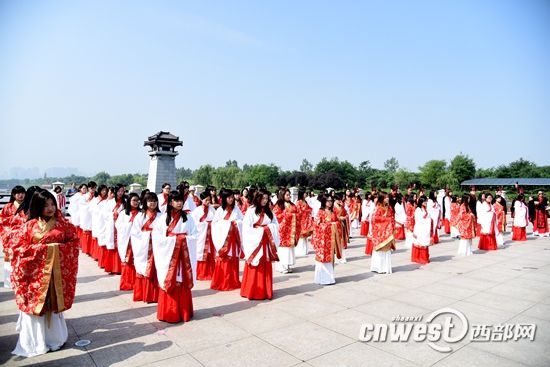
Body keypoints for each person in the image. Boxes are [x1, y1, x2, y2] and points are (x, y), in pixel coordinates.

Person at [10, 190, 79, 357]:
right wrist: (46, 250)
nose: (50, 208)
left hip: (56, 276)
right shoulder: (29, 226)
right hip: (34, 277)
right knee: (36, 309)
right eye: (45, 205)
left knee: (53, 306)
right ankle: (36, 343)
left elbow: (74, 243)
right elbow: (17, 249)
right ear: (37, 206)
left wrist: (57, 250)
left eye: (52, 204)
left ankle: (55, 339)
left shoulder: (64, 225)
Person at [152, 191, 197, 323]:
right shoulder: (162, 219)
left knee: (182, 280)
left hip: (184, 256)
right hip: (169, 256)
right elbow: (157, 238)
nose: (179, 203)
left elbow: (195, 236)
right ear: (170, 202)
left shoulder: (188, 218)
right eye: (176, 200)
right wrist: (176, 241)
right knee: (170, 279)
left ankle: (183, 312)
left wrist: (182, 240)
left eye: (180, 200)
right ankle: (169, 312)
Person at [240, 189, 280, 300]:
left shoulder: (269, 211)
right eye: (263, 198)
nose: (265, 201)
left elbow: (276, 225)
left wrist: (269, 228)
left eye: (267, 199)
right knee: (255, 263)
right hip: (255, 242)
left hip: (266, 242)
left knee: (265, 264)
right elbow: (246, 228)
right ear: (258, 198)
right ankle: (253, 291)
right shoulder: (251, 210)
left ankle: (265, 291)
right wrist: (261, 231)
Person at [210, 189, 243, 291]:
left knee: (233, 259)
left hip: (234, 238)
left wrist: (236, 223)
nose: (231, 199)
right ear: (224, 198)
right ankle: (223, 282)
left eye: (232, 197)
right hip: (224, 240)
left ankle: (233, 281)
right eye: (229, 197)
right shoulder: (220, 210)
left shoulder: (236, 209)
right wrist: (228, 224)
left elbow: (242, 221)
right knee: (224, 260)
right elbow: (214, 224)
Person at [131, 192, 161, 303]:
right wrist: (148, 235)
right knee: (144, 268)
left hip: (157, 247)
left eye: (154, 201)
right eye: (150, 201)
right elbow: (135, 233)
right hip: (143, 248)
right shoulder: (140, 216)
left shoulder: (161, 216)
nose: (152, 203)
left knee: (157, 269)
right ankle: (144, 295)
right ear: (145, 202)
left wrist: (156, 236)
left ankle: (156, 295)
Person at [311, 194, 343, 284]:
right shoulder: (320, 212)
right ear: (324, 202)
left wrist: (335, 224)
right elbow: (316, 225)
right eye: (328, 201)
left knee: (330, 259)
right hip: (322, 241)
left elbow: (337, 222)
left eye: (331, 201)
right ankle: (322, 279)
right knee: (323, 259)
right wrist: (330, 225)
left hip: (331, 239)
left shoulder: (333, 212)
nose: (330, 203)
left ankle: (329, 278)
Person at [0, 185, 26, 288]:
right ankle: (9, 282)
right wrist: (9, 232)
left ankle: (22, 281)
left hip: (24, 237)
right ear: (13, 195)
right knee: (10, 258)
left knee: (23, 260)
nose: (21, 195)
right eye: (18, 193)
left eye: (23, 193)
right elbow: (2, 222)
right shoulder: (8, 207)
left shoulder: (28, 206)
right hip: (10, 237)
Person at [115, 193, 141, 291]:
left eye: (137, 200)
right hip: (127, 241)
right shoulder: (123, 213)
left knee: (137, 262)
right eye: (134, 200)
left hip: (138, 241)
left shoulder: (141, 213)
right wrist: (130, 225)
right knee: (127, 262)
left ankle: (136, 284)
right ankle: (127, 284)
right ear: (129, 201)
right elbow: (118, 226)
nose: (136, 202)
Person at [273, 188, 301, 273]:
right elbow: (276, 216)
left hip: (291, 230)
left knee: (289, 249)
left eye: (289, 195)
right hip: (283, 230)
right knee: (282, 249)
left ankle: (287, 265)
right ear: (282, 195)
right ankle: (281, 266)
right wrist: (287, 215)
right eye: (287, 195)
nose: (289, 196)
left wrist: (294, 215)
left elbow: (297, 213)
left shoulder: (292, 205)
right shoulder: (278, 205)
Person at [102, 185, 125, 273]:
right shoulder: (109, 202)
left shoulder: (125, 202)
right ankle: (111, 267)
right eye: (119, 191)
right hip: (111, 225)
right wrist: (113, 214)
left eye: (122, 191)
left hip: (121, 226)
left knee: (121, 245)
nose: (120, 193)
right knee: (112, 246)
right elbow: (104, 214)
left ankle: (120, 268)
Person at [370, 192, 395, 273]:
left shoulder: (390, 208)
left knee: (386, 250)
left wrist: (390, 223)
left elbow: (392, 218)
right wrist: (386, 221)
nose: (387, 199)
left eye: (387, 197)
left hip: (388, 232)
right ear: (381, 199)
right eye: (385, 197)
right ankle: (378, 268)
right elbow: (374, 219)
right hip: (379, 233)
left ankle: (385, 268)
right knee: (380, 250)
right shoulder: (378, 208)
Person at [412, 196, 431, 264]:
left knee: (424, 242)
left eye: (426, 201)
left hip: (425, 228)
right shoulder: (418, 209)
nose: (426, 202)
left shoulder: (425, 209)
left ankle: (424, 257)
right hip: (420, 228)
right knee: (419, 242)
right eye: (424, 201)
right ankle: (419, 258)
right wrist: (427, 219)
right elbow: (419, 220)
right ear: (421, 202)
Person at [295, 189, 314, 257]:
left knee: (305, 236)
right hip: (301, 220)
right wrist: (306, 211)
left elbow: (309, 208)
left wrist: (308, 210)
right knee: (301, 236)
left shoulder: (305, 201)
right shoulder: (298, 202)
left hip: (306, 220)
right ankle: (300, 251)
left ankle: (305, 250)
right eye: (304, 193)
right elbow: (298, 211)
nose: (306, 194)